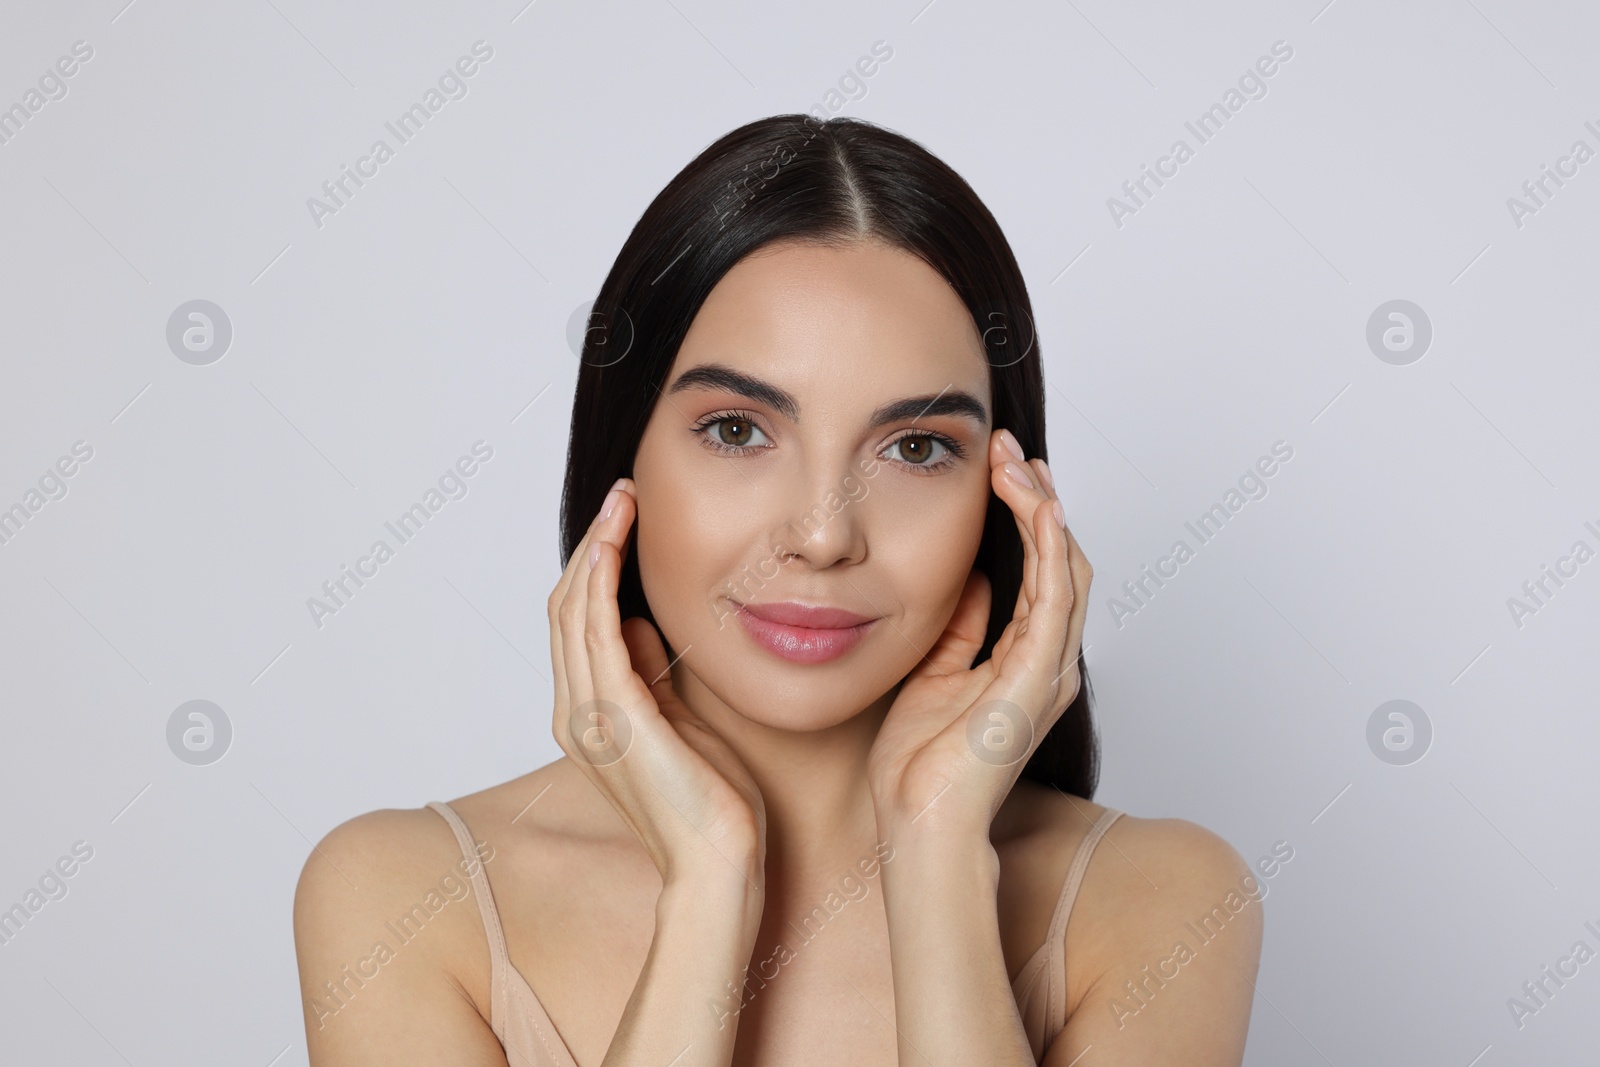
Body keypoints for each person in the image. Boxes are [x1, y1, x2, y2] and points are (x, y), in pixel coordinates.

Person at [293, 114, 1262, 1066]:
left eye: (916, 447)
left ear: (1008, 500)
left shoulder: (1159, 900)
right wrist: (709, 881)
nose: (822, 533)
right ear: (620, 456)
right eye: (737, 430)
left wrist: (938, 857)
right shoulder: (405, 896)